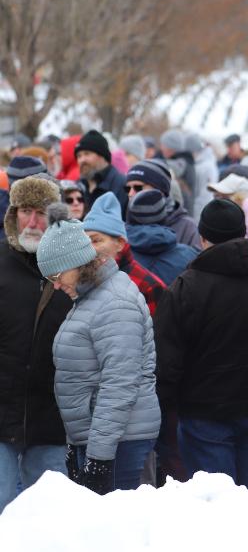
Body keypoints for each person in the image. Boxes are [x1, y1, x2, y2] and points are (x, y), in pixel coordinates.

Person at [154, 199, 248, 499]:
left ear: (203, 238)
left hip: (204, 416)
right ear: (244, 232)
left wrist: (169, 408)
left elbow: (167, 363)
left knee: (217, 501)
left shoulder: (186, 288)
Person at [37, 204, 160, 495]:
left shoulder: (114, 302)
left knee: (116, 533)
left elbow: (119, 383)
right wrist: (76, 443)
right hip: (101, 440)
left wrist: (99, 458)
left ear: (76, 262)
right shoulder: (90, 298)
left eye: (56, 276)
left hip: (119, 442)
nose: (55, 286)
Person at [0, 177, 72, 511]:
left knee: (49, 515)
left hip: (51, 418)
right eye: (25, 211)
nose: (32, 221)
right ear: (13, 216)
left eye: (40, 213)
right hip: (2, 414)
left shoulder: (71, 270)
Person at [82, 192, 166, 316]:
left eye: (96, 240)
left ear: (120, 243)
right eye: (85, 241)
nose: (89, 248)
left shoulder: (149, 287)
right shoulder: (79, 278)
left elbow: (158, 333)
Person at [126, 190, 198, 286]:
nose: (130, 192)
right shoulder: (190, 256)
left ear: (129, 217)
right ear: (164, 217)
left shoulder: (114, 254)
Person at [126, 160, 200, 249]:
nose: (130, 193)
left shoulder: (187, 227)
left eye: (138, 187)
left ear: (160, 190)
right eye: (127, 188)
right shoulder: (126, 221)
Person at [76, 130, 128, 215]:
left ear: (102, 155)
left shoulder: (123, 185)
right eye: (79, 156)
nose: (82, 160)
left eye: (87, 154)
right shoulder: (78, 186)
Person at [159, 129, 197, 213]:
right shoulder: (187, 161)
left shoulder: (180, 163)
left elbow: (162, 166)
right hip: (183, 212)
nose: (161, 148)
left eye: (163, 145)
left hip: (181, 214)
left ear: (171, 146)